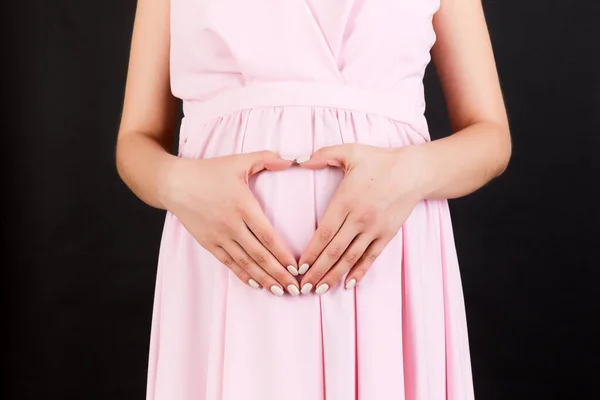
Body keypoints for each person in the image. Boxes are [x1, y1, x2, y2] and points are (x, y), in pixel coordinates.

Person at [116, 0, 511, 398]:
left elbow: (491, 136)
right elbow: (135, 141)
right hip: (225, 266)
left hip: (385, 267)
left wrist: (409, 176)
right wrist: (180, 184)